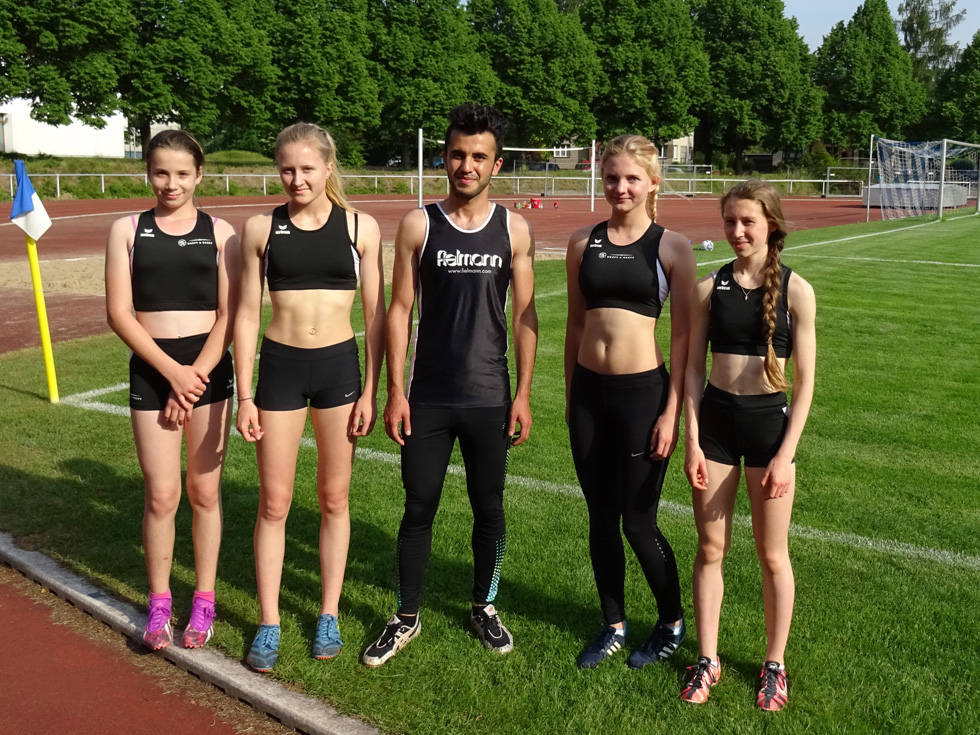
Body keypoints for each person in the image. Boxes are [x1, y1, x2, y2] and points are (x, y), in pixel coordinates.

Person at [362, 103, 538, 667]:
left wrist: (523, 395)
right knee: (419, 506)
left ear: (497, 164)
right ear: (444, 157)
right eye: (458, 154)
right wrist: (395, 391)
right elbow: (399, 310)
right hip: (428, 397)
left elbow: (525, 317)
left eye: (479, 156)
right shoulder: (419, 224)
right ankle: (405, 616)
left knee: (489, 507)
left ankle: (484, 606)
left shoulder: (514, 228)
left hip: (490, 395)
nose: (467, 165)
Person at [234, 123, 385, 672]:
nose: (296, 179)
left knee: (334, 499)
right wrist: (244, 396)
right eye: (287, 169)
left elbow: (377, 315)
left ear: (328, 167)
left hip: (338, 370)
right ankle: (270, 621)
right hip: (281, 370)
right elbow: (246, 314)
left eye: (306, 168)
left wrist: (371, 390)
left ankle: (328, 613)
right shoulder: (260, 229)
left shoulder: (360, 227)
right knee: (274, 502)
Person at [681, 179, 816, 710]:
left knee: (772, 554)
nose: (737, 231)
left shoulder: (797, 290)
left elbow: (804, 383)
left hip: (768, 432)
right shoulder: (707, 288)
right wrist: (692, 441)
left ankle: (774, 664)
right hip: (715, 427)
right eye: (730, 221)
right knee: (710, 548)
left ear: (771, 226)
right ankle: (707, 658)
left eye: (748, 222)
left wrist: (786, 455)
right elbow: (693, 371)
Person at [564, 135, 696, 670]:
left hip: (643, 396)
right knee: (600, 518)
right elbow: (576, 324)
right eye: (612, 178)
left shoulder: (672, 247)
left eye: (632, 179)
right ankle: (613, 624)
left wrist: (671, 413)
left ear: (652, 183)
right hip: (589, 397)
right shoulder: (582, 242)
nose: (621, 188)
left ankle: (671, 622)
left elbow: (685, 338)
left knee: (638, 522)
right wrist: (571, 397)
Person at [105, 130, 240, 651]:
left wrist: (193, 375)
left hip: (208, 368)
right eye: (161, 172)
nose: (171, 183)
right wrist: (172, 374)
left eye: (182, 173)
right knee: (162, 494)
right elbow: (119, 313)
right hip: (152, 367)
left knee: (204, 491)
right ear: (148, 172)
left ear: (199, 175)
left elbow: (230, 315)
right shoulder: (126, 230)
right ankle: (159, 603)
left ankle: (203, 601)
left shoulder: (221, 232)